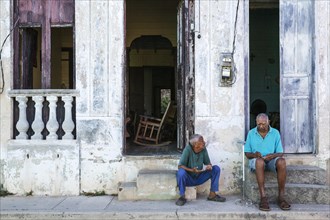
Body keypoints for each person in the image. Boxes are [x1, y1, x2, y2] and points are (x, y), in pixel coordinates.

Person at [244, 113, 291, 211]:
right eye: (259, 124)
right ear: (256, 123)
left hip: (271, 160)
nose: (261, 126)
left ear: (268, 122)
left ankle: (281, 197)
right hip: (256, 161)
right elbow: (247, 153)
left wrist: (272, 156)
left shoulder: (275, 133)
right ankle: (263, 198)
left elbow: (280, 152)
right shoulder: (251, 133)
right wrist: (255, 155)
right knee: (259, 162)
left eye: (264, 124)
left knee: (281, 161)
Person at [176, 134, 226, 206]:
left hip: (199, 177)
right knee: (181, 172)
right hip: (188, 179)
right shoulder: (187, 150)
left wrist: (209, 166)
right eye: (202, 141)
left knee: (216, 169)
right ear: (195, 144)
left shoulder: (203, 149)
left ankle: (212, 195)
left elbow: (208, 163)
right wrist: (192, 170)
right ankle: (182, 197)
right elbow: (180, 166)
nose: (204, 142)